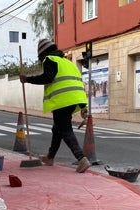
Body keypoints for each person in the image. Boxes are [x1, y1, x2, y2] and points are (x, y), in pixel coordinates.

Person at [20, 39, 91, 173]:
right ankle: (50, 157)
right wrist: (83, 106)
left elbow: (47, 78)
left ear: (43, 54)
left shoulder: (49, 60)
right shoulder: (68, 63)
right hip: (74, 100)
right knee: (57, 129)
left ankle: (81, 159)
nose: (41, 61)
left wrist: (27, 79)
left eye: (40, 58)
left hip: (61, 101)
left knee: (65, 130)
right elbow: (77, 84)